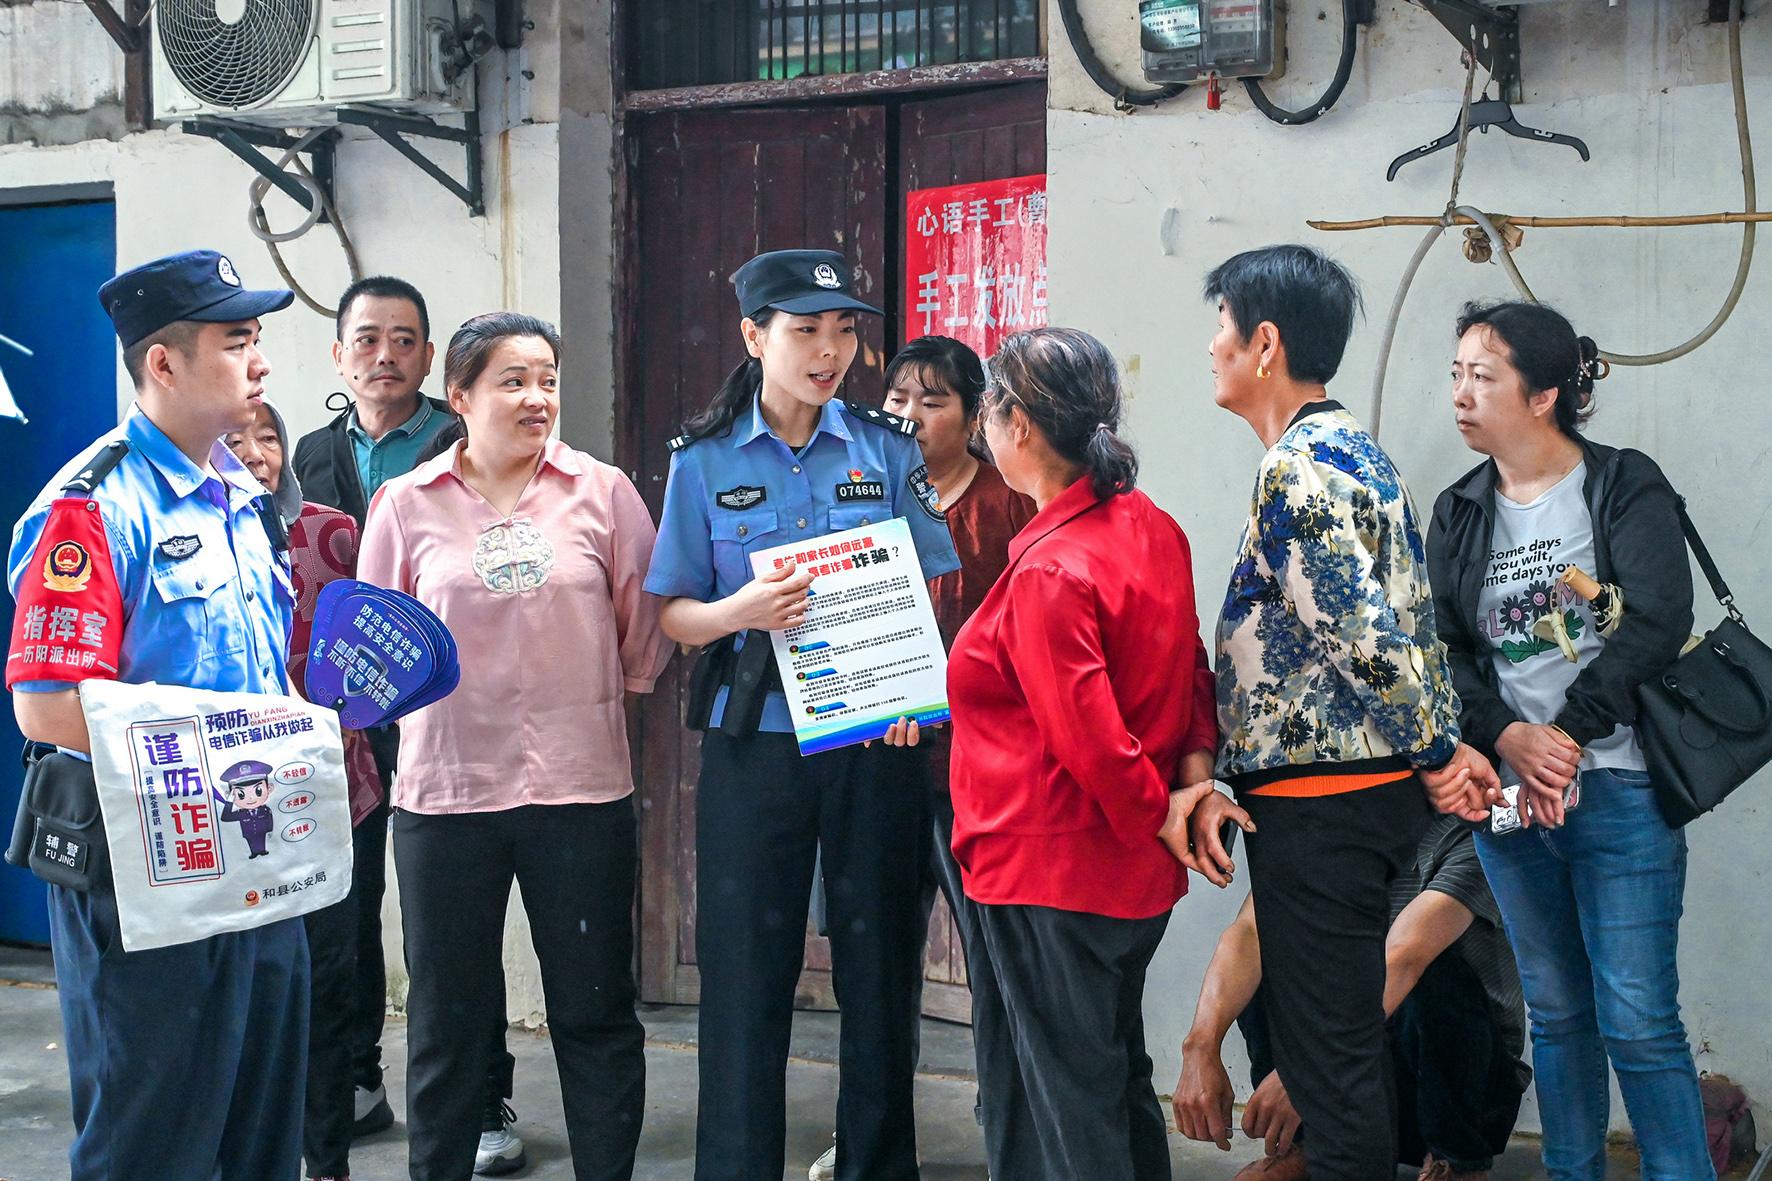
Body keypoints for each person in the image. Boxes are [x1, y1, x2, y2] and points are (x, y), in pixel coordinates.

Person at [643, 249, 961, 1181]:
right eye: (806, 330)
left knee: (880, 967)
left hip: (875, 741)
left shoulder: (886, 447)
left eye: (845, 331)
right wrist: (740, 609)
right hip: (758, 744)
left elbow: (926, 586)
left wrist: (911, 696)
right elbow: (674, 613)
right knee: (747, 968)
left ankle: (878, 1166)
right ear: (754, 336)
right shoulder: (702, 461)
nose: (831, 352)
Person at [1186, 244, 1499, 1181]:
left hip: (1325, 798)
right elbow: (1410, 627)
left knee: (1332, 1071)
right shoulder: (1355, 452)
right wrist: (1438, 745)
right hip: (1347, 790)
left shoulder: (1298, 467)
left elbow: (1363, 635)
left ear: (1265, 344)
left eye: (1221, 327)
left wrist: (1438, 750)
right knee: (1341, 1053)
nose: (1211, 347)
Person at [5, 250, 306, 1179]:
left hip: (259, 850)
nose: (260, 363)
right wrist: (214, 748)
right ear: (164, 363)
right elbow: (46, 706)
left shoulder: (243, 497)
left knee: (261, 1129)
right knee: (151, 1139)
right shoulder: (93, 508)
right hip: (148, 867)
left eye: (258, 340)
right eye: (237, 342)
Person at [357, 311, 670, 1181]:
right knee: (447, 1020)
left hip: (580, 791)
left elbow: (643, 627)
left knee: (595, 1010)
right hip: (446, 795)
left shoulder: (603, 492)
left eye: (548, 381)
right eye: (513, 381)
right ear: (459, 396)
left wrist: (592, 700)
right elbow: (376, 650)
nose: (538, 397)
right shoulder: (404, 504)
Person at [1427, 300, 1711, 1180]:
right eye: (1457, 374)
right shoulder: (1460, 510)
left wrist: (1563, 735)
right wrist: (1510, 737)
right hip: (1510, 799)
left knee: (1638, 1019)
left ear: (1543, 393)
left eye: (1483, 376)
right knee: (1555, 1013)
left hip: (1619, 786)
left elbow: (1658, 620)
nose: (1461, 393)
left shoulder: (1621, 483)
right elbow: (1442, 649)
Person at [933, 326, 1218, 1181]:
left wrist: (1158, 814)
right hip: (1115, 873)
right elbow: (1190, 665)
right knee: (1105, 1084)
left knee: (1057, 1107)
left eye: (988, 408)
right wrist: (1189, 786)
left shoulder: (1054, 568)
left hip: (1053, 867)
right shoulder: (1148, 524)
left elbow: (1091, 740)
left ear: (1018, 426)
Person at [291, 276, 522, 1167]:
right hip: (342, 719)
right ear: (339, 353)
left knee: (453, 919)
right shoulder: (309, 451)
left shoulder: (463, 444)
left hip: (444, 709)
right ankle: (357, 1076)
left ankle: (486, 1097)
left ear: (430, 357)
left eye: (403, 339)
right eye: (367, 338)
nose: (384, 355)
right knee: (345, 904)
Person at [807, 334, 1036, 1181]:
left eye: (932, 401)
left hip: (976, 777)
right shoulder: (858, 496)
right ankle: (870, 1145)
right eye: (897, 398)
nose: (906, 415)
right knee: (874, 970)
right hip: (875, 766)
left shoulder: (1009, 506)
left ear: (975, 418)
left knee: (999, 966)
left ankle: (1015, 1137)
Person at [1175, 815, 1531, 1181]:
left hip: (1466, 1084)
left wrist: (1305, 1075)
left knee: (1433, 969)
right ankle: (1307, 1144)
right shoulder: (1330, 823)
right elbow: (1249, 932)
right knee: (1274, 949)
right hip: (1354, 1071)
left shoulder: (1475, 834)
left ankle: (1457, 1162)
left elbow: (1404, 958)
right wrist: (1201, 1046)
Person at [226, 396, 387, 1181]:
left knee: (329, 982)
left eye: (268, 436)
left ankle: (327, 1161)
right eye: (235, 438)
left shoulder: (333, 533)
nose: (257, 451)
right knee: (242, 991)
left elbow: (380, 645)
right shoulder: (177, 538)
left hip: (331, 794)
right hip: (227, 806)